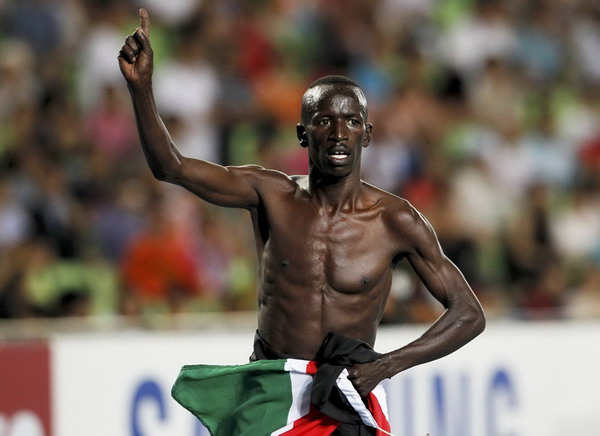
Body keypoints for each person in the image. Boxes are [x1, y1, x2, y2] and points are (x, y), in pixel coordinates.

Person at [118, 9, 485, 435]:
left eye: (351, 121)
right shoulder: (270, 194)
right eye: (324, 120)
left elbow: (468, 313)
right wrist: (142, 89)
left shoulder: (395, 220)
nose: (337, 132)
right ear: (302, 133)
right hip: (274, 391)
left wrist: (385, 366)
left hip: (346, 393)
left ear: (366, 134)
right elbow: (172, 167)